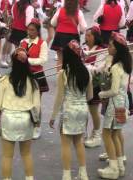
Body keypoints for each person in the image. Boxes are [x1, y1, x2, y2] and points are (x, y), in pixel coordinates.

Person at [0, 49, 40, 180]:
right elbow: (37, 105)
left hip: (8, 117)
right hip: (26, 118)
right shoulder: (33, 81)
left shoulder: (4, 80)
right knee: (26, 154)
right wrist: (37, 121)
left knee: (7, 156)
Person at [50, 40, 93, 180]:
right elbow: (90, 95)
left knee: (66, 144)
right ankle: (83, 173)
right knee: (79, 142)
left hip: (68, 110)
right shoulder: (87, 71)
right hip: (83, 109)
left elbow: (59, 97)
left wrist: (53, 116)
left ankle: (66, 175)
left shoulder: (63, 73)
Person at [97, 32, 131, 179]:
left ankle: (113, 168)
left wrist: (101, 95)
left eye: (111, 45)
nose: (108, 47)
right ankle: (120, 165)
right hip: (123, 103)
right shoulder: (125, 65)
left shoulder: (116, 67)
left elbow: (114, 90)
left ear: (116, 49)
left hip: (114, 104)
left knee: (106, 134)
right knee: (116, 133)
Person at [19, 18, 48, 139]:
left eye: (32, 30)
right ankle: (26, 125)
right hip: (24, 74)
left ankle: (37, 126)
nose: (29, 32)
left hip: (37, 75)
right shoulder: (23, 41)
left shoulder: (42, 43)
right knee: (25, 101)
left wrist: (27, 60)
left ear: (37, 31)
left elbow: (43, 59)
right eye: (28, 29)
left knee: (36, 103)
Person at [83, 26, 106, 148]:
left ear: (95, 37)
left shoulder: (101, 51)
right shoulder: (84, 48)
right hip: (83, 83)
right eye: (85, 35)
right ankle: (85, 133)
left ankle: (96, 135)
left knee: (93, 111)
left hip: (95, 85)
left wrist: (84, 67)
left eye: (89, 36)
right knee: (83, 110)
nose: (86, 38)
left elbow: (98, 69)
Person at [50, 0, 87, 71]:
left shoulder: (60, 10)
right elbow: (84, 27)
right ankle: (70, 78)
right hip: (72, 38)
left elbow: (53, 23)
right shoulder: (79, 12)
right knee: (73, 60)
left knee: (60, 60)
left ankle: (60, 79)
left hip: (60, 37)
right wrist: (80, 30)